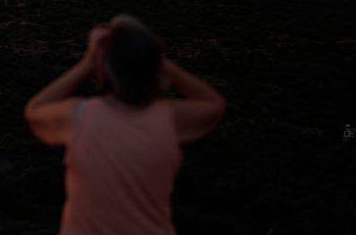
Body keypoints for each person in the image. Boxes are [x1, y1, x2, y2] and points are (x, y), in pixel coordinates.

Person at [24, 14, 226, 235]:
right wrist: (158, 60)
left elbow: (34, 109)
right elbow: (214, 104)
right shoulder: (169, 118)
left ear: (107, 69)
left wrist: (89, 61)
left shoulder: (79, 116)